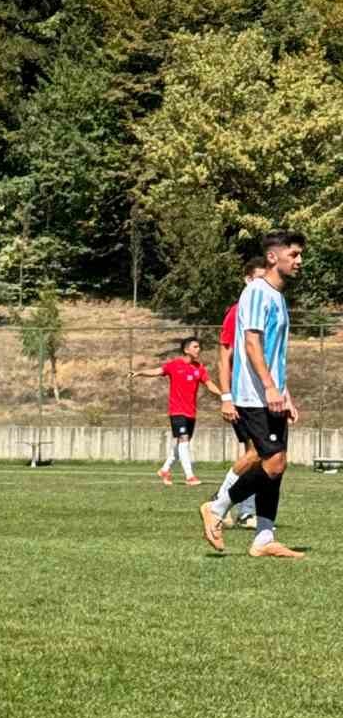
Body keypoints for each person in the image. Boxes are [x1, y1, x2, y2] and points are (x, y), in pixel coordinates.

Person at [200, 230, 306, 559]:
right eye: (294, 254)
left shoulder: (278, 295)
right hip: (253, 396)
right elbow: (251, 344)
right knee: (273, 462)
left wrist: (284, 393)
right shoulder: (258, 292)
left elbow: (275, 354)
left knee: (277, 465)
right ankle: (216, 507)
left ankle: (263, 537)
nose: (300, 261)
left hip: (270, 394)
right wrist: (268, 388)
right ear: (273, 257)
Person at [211, 258, 268, 528]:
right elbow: (224, 357)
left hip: (262, 395)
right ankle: (232, 506)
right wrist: (226, 396)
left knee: (261, 454)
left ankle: (229, 505)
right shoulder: (237, 312)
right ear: (247, 280)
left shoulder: (266, 307)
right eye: (256, 278)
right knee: (255, 452)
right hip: (244, 396)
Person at [133, 338, 220, 487]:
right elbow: (157, 371)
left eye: (199, 347)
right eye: (195, 346)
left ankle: (165, 469)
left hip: (191, 413)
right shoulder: (174, 365)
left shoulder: (199, 368)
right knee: (184, 440)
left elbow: (209, 384)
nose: (198, 349)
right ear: (186, 350)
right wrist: (140, 373)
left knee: (182, 443)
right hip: (177, 411)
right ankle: (190, 476)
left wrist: (225, 395)